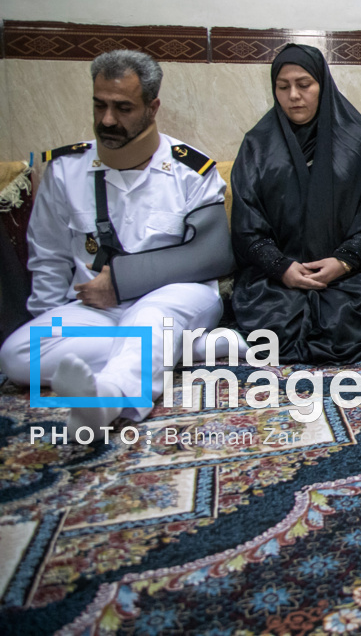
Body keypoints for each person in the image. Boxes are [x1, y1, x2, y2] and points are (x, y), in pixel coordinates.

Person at [0, 50, 229, 438]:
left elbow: (213, 255)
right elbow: (49, 256)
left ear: (152, 108)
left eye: (123, 108)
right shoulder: (65, 169)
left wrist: (123, 282)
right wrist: (53, 323)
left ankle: (108, 399)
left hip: (174, 296)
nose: (107, 119)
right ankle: (186, 348)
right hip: (96, 308)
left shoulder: (190, 171)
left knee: (151, 318)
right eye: (100, 105)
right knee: (17, 355)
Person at [230, 43, 361, 364]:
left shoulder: (358, 139)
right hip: (276, 278)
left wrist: (342, 262)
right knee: (277, 323)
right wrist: (282, 268)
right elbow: (246, 226)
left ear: (322, 85)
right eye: (283, 87)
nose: (294, 95)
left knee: (351, 320)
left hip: (345, 277)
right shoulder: (257, 145)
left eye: (304, 85)